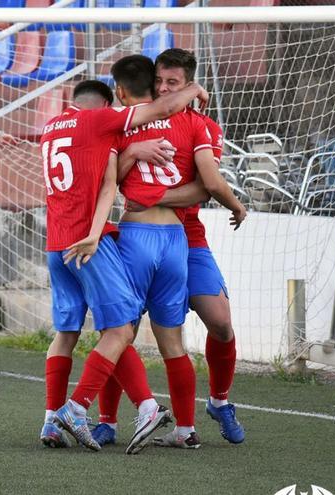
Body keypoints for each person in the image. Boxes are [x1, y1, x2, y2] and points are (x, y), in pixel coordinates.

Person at [38, 78, 210, 453]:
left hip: (55, 243)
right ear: (103, 106)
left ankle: (51, 420)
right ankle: (83, 408)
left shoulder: (50, 128)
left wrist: (131, 149)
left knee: (66, 334)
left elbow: (100, 174)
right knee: (120, 330)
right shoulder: (98, 121)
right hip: (88, 245)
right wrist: (193, 89)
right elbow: (108, 185)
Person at [94, 48, 245, 446]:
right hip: (165, 237)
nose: (163, 89)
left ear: (188, 86)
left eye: (172, 84)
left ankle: (217, 402)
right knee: (135, 333)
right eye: (158, 81)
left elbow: (206, 186)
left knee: (218, 322)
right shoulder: (132, 123)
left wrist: (152, 196)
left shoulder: (200, 126)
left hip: (184, 237)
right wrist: (131, 154)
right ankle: (111, 421)